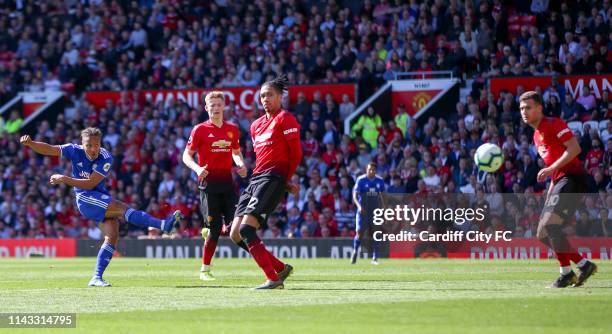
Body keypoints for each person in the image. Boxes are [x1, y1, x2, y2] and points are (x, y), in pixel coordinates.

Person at [20, 128, 183, 287]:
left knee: (112, 235)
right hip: (85, 199)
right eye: (88, 145)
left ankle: (96, 278)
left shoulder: (105, 157)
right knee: (122, 208)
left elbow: (91, 183)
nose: (92, 149)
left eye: (96, 145)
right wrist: (32, 144)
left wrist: (64, 179)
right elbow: (49, 149)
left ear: (100, 144)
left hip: (96, 196)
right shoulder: (73, 150)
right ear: (82, 144)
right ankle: (163, 225)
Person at [228, 74, 303, 289]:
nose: (265, 99)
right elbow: (263, 156)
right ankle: (279, 267)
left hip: (272, 178)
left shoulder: (285, 118)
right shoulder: (255, 126)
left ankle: (273, 278)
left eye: (269, 95)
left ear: (280, 97)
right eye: (262, 96)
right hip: (256, 179)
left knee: (246, 231)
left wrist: (285, 180)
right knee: (235, 234)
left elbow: (295, 154)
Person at [519, 91, 597, 288]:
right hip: (560, 181)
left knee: (550, 227)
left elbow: (574, 149)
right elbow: (554, 169)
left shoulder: (554, 124)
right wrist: (550, 193)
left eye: (528, 107)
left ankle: (570, 271)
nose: (524, 112)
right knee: (542, 233)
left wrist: (552, 169)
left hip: (574, 179)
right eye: (521, 108)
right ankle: (578, 267)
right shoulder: (536, 136)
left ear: (539, 108)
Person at [182, 91, 249, 281]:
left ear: (223, 107)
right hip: (208, 185)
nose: (216, 108)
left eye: (219, 105)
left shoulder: (232, 129)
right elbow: (186, 156)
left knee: (238, 227)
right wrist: (196, 168)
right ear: (206, 108)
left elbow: (236, 152)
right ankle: (205, 270)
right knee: (215, 230)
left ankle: (262, 260)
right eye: (212, 105)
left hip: (228, 185)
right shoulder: (200, 129)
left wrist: (240, 164)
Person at [351, 162, 386, 265]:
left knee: (376, 233)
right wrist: (359, 206)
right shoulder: (361, 180)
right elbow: (355, 196)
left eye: (373, 170)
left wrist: (384, 207)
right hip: (363, 211)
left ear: (375, 171)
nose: (371, 171)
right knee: (359, 233)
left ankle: (375, 258)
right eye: (369, 169)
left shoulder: (380, 181)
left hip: (375, 211)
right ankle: (355, 252)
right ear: (366, 170)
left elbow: (383, 196)